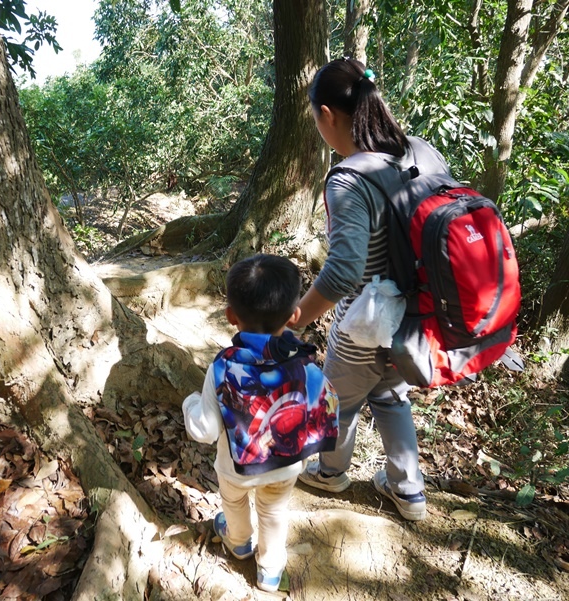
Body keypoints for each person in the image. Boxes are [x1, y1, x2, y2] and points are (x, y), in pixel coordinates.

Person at [289, 57, 452, 521]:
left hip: (364, 321)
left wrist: (299, 315)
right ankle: (409, 491)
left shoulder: (348, 179)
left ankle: (330, 472)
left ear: (326, 115)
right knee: (390, 395)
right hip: (416, 319)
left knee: (339, 398)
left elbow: (343, 272)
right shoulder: (421, 151)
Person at [183, 253, 338, 592]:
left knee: (234, 504)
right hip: (286, 465)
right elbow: (325, 406)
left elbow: (204, 430)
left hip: (235, 468)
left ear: (230, 317)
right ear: (295, 315)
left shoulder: (223, 368)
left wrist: (191, 403)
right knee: (273, 511)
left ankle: (238, 543)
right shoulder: (306, 364)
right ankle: (270, 570)